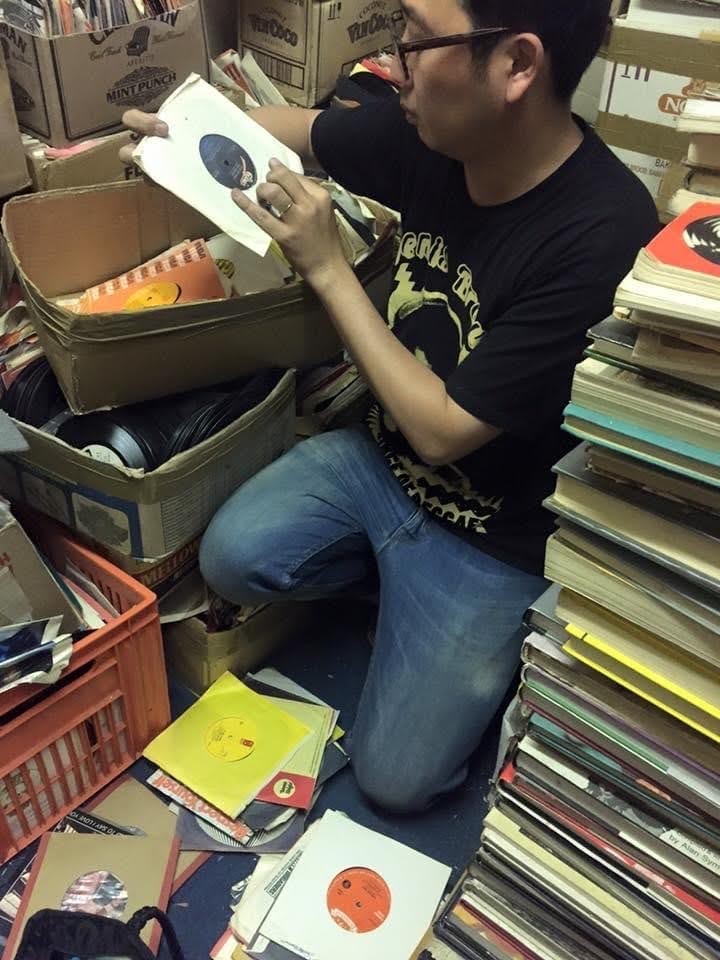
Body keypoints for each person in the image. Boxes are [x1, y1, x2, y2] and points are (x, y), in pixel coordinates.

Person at [122, 0, 659, 814]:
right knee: (230, 558)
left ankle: (464, 624)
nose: (395, 64)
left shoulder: (604, 233)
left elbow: (442, 433)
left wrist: (327, 266)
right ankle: (388, 583)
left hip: (493, 533)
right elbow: (288, 129)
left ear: (517, 65)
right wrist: (176, 136)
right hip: (382, 461)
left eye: (418, 40)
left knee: (397, 782)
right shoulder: (433, 130)